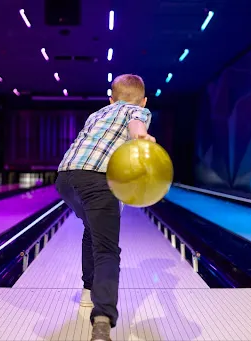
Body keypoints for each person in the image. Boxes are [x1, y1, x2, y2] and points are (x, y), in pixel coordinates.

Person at [55, 74, 155, 341]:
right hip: (97, 178)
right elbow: (136, 124)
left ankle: (88, 292)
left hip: (65, 177)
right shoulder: (138, 110)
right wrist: (142, 137)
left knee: (92, 228)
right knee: (107, 250)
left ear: (110, 99)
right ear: (144, 100)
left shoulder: (98, 113)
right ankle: (102, 322)